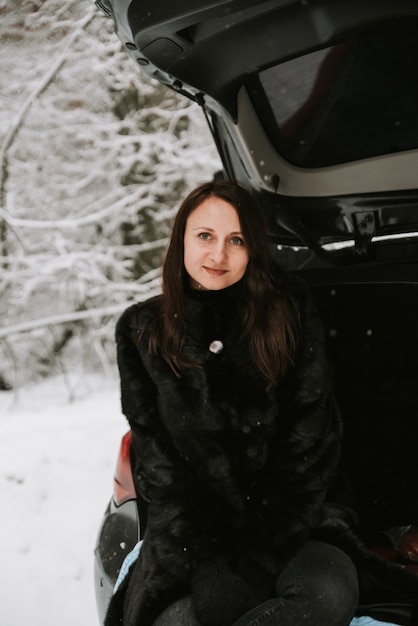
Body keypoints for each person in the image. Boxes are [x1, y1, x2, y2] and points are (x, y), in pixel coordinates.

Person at [104, 180, 360, 626]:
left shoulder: (290, 312)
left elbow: (310, 446)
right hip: (193, 543)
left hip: (297, 528)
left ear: (253, 248)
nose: (217, 255)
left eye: (235, 240)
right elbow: (160, 470)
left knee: (327, 594)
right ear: (181, 239)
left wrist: (258, 560)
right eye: (205, 236)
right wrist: (210, 567)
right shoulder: (141, 331)